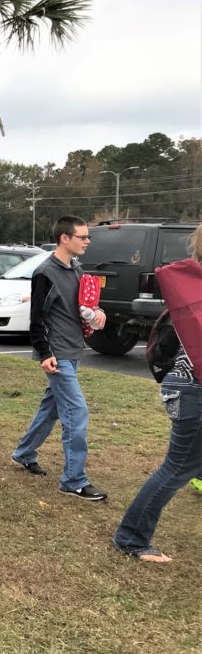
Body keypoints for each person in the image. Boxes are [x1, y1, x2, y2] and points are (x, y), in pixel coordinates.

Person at [113, 225, 202, 561]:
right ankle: (131, 537)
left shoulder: (192, 288)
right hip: (194, 390)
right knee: (177, 467)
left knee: (186, 464)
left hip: (184, 387)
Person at [11, 216, 108, 501]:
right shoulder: (45, 273)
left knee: (51, 408)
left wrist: (97, 312)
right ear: (64, 238)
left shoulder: (76, 269)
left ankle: (24, 453)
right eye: (82, 237)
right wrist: (45, 354)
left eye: (88, 237)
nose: (87, 241)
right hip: (57, 356)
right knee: (77, 414)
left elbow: (82, 306)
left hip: (73, 350)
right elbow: (36, 320)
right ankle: (74, 480)